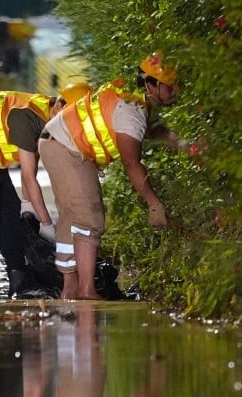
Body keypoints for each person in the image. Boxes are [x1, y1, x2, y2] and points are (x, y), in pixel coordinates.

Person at [38, 52, 183, 300]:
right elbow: (132, 164)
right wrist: (154, 205)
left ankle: (70, 288)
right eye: (169, 87)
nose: (174, 93)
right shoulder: (132, 111)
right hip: (66, 147)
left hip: (56, 141)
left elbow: (149, 130)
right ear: (150, 85)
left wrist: (179, 142)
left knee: (72, 215)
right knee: (89, 216)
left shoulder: (130, 95)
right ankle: (85, 290)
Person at [0, 81, 93, 299]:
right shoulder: (28, 119)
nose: (69, 125)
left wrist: (28, 207)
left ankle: (19, 278)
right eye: (69, 117)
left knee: (8, 214)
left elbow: (30, 175)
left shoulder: (49, 121)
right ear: (59, 105)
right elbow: (28, 175)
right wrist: (45, 223)